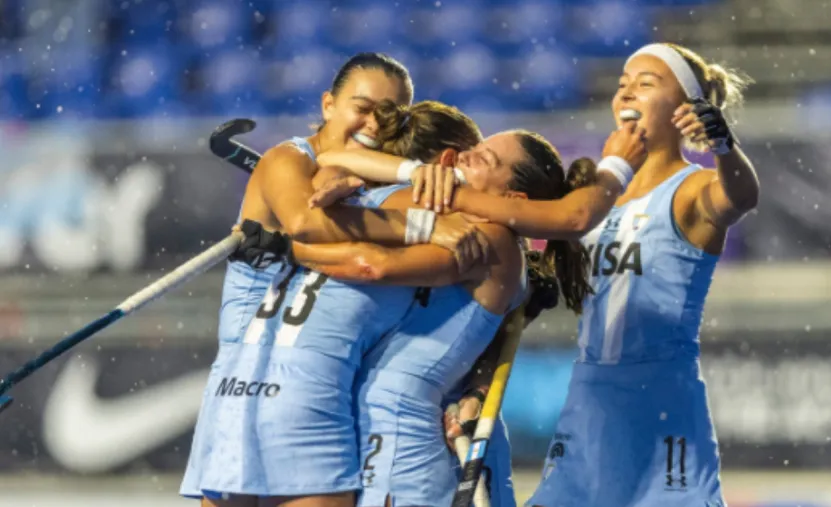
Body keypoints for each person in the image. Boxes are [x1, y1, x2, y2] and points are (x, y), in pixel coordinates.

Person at [424, 42, 759, 507]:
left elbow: (740, 196)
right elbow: (519, 221)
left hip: (659, 397)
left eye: (646, 84)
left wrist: (725, 149)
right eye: (622, 84)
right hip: (590, 395)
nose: (627, 93)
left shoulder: (692, 187)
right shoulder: (593, 194)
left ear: (686, 107)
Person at [180, 53, 487, 507]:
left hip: (253, 394)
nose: (374, 124)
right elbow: (307, 221)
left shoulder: (374, 186)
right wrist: (423, 224)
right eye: (361, 107)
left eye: (391, 116)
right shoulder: (288, 159)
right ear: (328, 104)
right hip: (275, 392)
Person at [297, 124, 591, 507]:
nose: (465, 156)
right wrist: (408, 173)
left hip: (411, 428)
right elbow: (330, 158)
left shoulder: (489, 238)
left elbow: (376, 265)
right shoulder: (461, 223)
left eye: (484, 158)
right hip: (423, 419)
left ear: (511, 197)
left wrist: (291, 244)